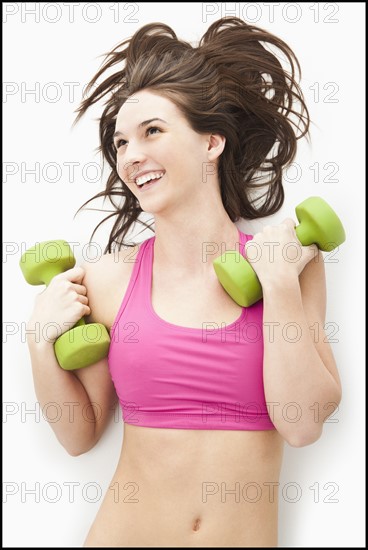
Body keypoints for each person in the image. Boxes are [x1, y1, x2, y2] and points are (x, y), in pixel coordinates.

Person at [26, 17, 342, 547]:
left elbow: (302, 423)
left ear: (211, 140)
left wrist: (281, 283)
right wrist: (39, 339)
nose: (131, 156)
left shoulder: (291, 263)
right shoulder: (108, 279)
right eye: (121, 142)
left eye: (153, 131)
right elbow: (80, 437)